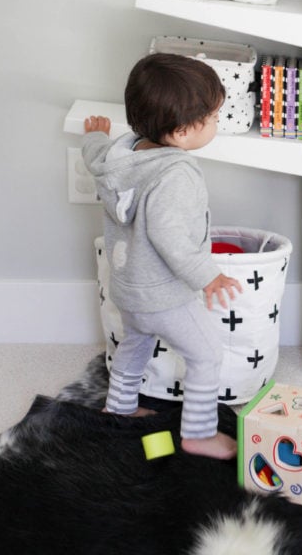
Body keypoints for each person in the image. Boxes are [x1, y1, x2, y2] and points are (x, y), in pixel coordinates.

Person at [82, 52, 243, 460]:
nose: (215, 124)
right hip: (162, 294)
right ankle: (200, 433)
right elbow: (170, 236)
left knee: (134, 345)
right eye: (211, 118)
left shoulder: (120, 154)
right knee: (205, 353)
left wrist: (94, 136)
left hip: (126, 287)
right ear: (183, 132)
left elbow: (93, 157)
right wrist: (207, 276)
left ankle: (117, 408)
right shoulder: (176, 174)